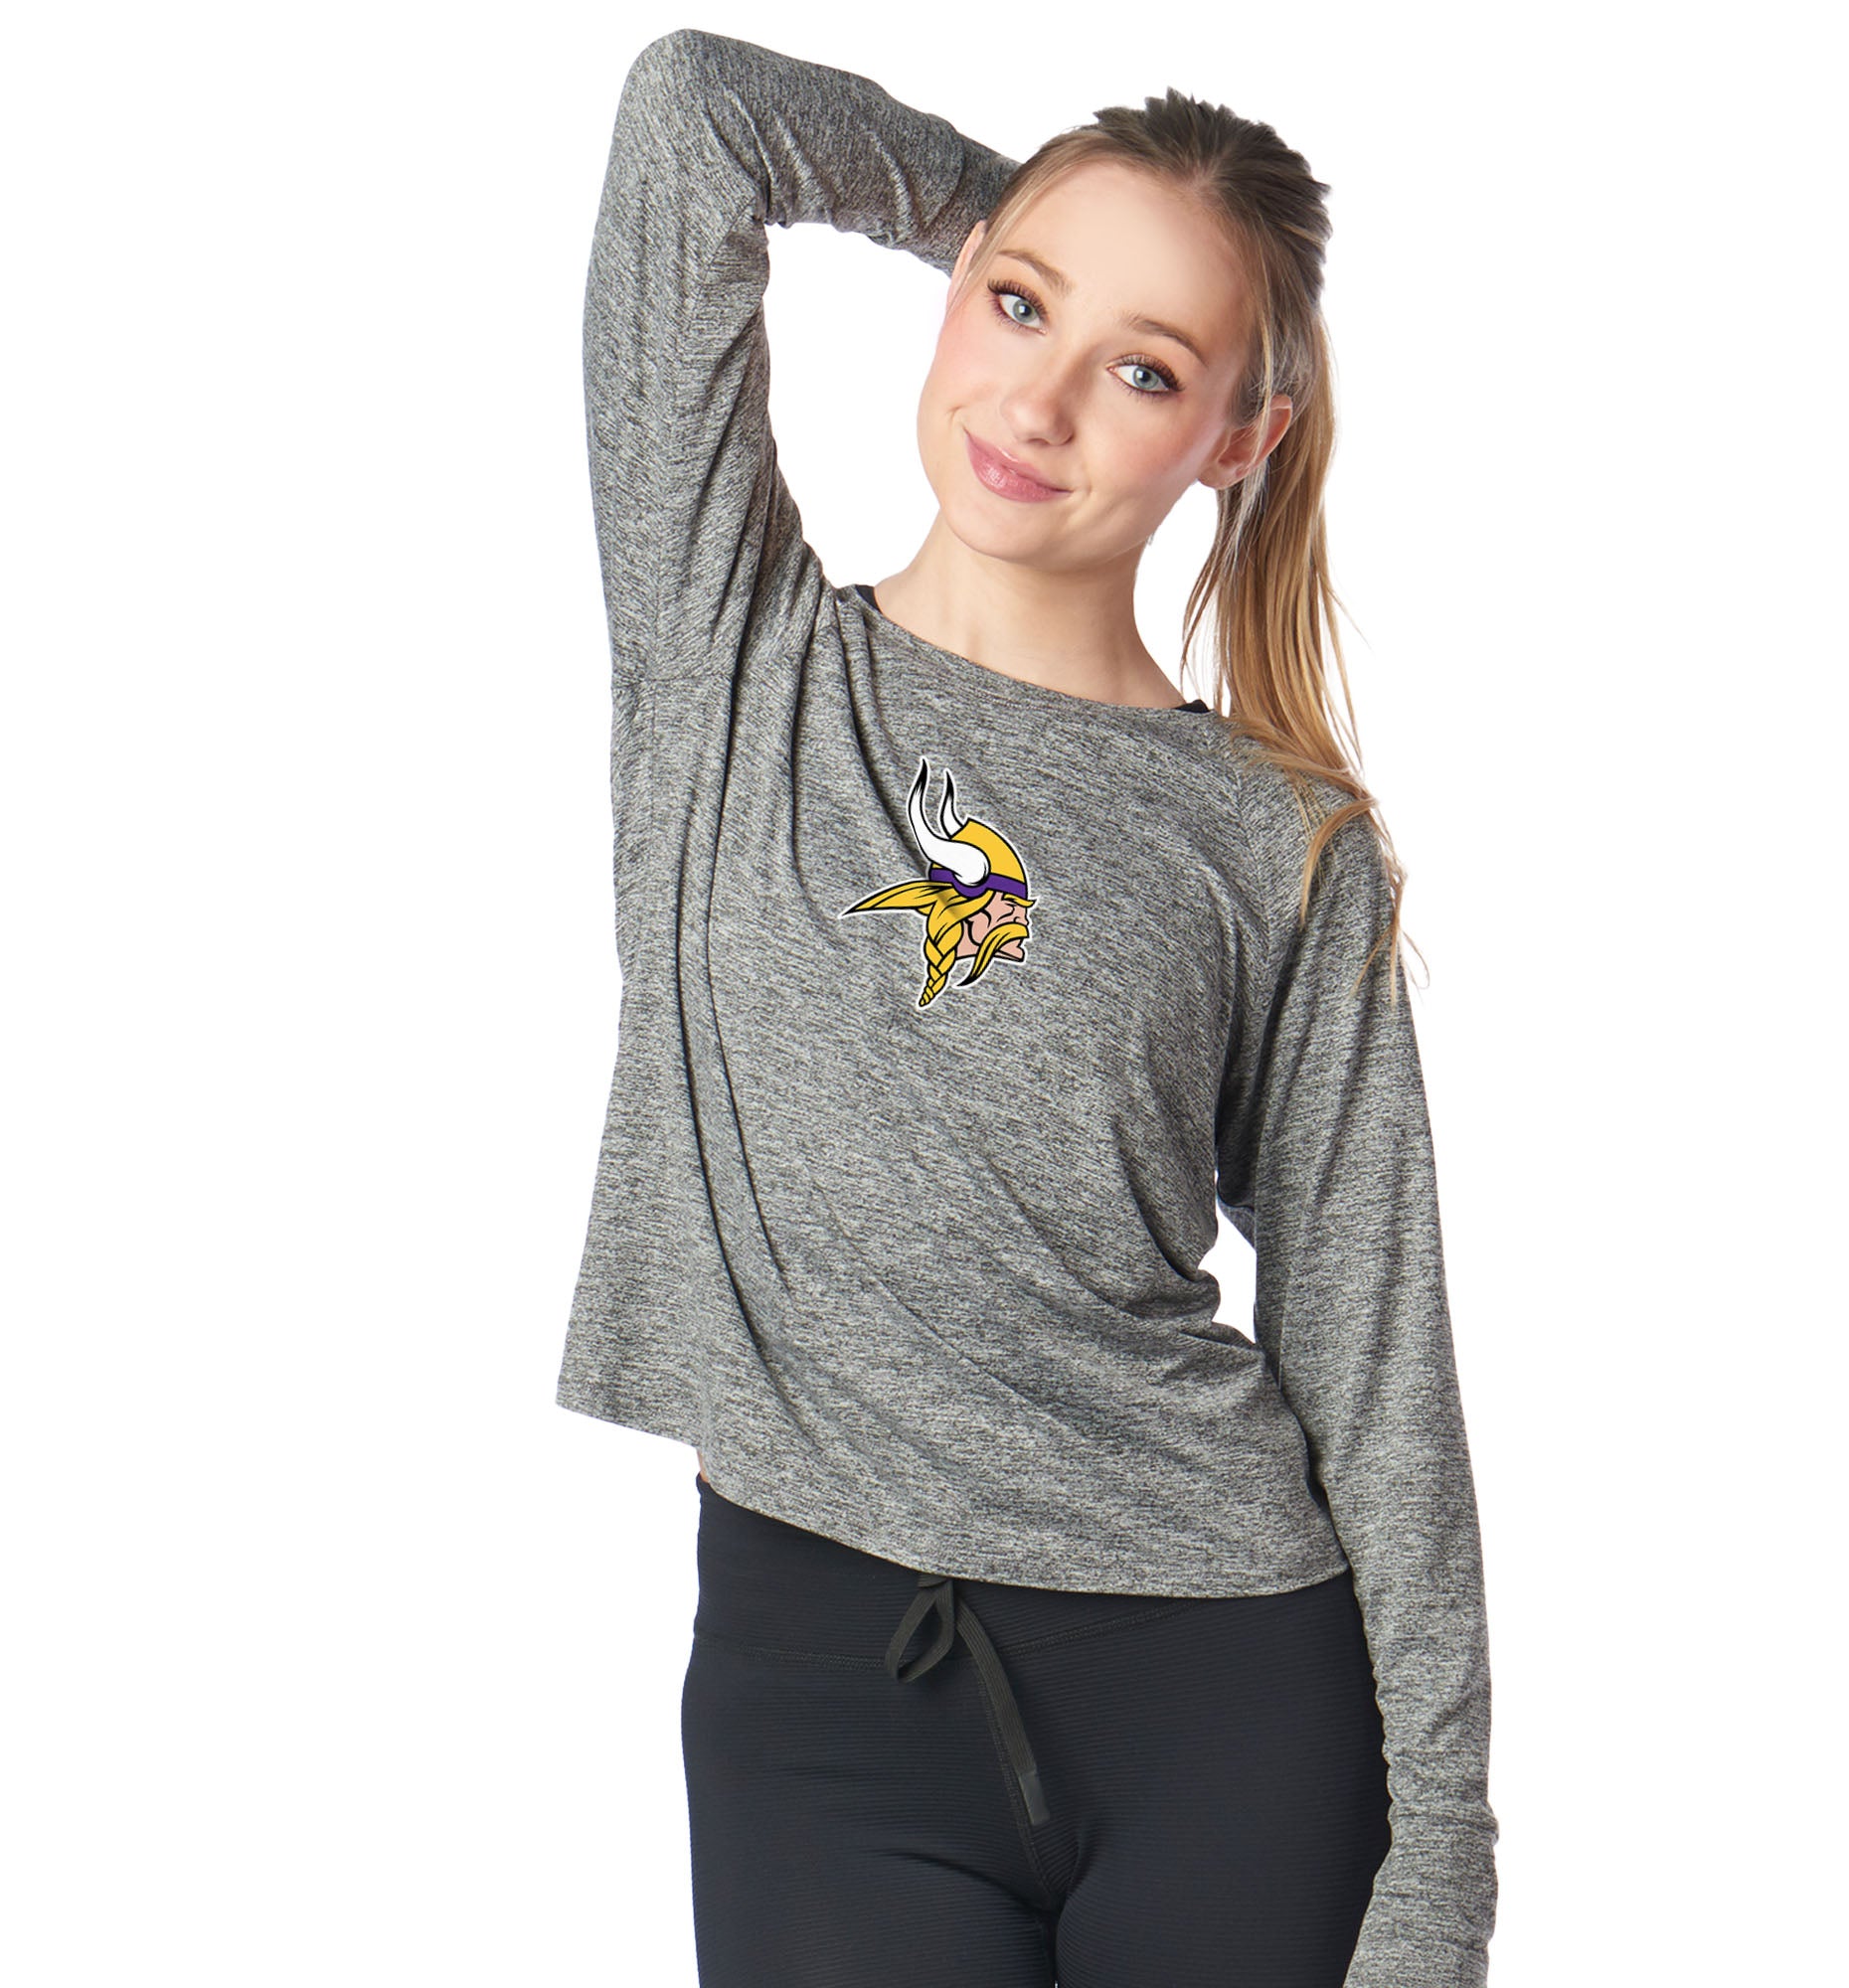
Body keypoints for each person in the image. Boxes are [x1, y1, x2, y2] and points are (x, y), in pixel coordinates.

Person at [557, 26, 1498, 1988]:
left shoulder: (1278, 840)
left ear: (1232, 436)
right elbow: (692, 111)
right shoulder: (731, 659)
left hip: (1224, 1690)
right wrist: (1016, 207)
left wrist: (1438, 1881)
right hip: (819, 1699)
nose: (1041, 399)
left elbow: (1373, 1350)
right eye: (1018, 305)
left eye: (1144, 369)